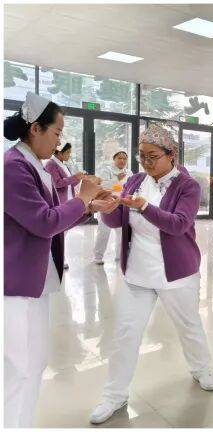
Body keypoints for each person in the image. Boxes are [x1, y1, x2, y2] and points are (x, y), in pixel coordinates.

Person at [90, 122, 213, 425]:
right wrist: (108, 208)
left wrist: (145, 206)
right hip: (138, 272)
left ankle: (201, 368)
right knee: (125, 333)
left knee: (188, 325)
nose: (145, 163)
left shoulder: (188, 185)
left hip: (177, 273)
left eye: (152, 156)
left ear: (171, 155)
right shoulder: (135, 181)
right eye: (142, 156)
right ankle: (114, 395)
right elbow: (118, 222)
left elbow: (179, 225)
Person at [5, 92, 115, 428]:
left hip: (36, 280)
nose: (59, 141)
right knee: (17, 370)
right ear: (35, 129)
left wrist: (89, 207)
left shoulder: (33, 165)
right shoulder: (13, 167)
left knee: (33, 363)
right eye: (57, 132)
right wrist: (82, 198)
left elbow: (51, 220)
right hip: (14, 285)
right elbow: (43, 222)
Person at [46, 142, 96, 270]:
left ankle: (58, 257)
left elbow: (70, 184)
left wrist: (79, 179)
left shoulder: (63, 165)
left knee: (64, 232)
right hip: (60, 201)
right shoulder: (51, 164)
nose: (69, 155)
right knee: (60, 233)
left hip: (68, 199)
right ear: (59, 152)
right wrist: (75, 177)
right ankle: (57, 258)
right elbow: (57, 183)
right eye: (67, 152)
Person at [93, 151, 131, 264]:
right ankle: (98, 257)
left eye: (124, 158)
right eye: (119, 158)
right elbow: (101, 185)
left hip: (122, 204)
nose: (122, 160)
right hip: (107, 203)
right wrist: (116, 179)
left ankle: (119, 256)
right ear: (114, 159)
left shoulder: (129, 172)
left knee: (121, 231)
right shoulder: (106, 170)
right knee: (104, 231)